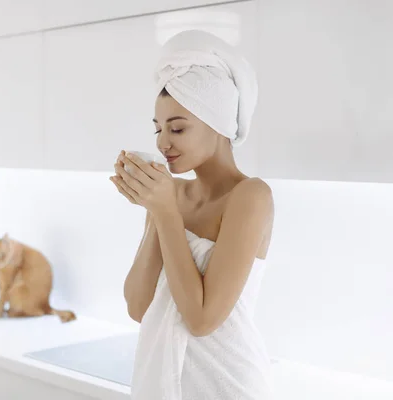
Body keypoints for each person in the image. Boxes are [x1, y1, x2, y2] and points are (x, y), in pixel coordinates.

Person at [109, 30, 274, 400]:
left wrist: (167, 213)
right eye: (158, 128)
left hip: (230, 386)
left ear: (217, 124)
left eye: (178, 128)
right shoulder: (171, 194)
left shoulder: (251, 196)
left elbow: (202, 320)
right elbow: (138, 307)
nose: (162, 142)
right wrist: (158, 208)